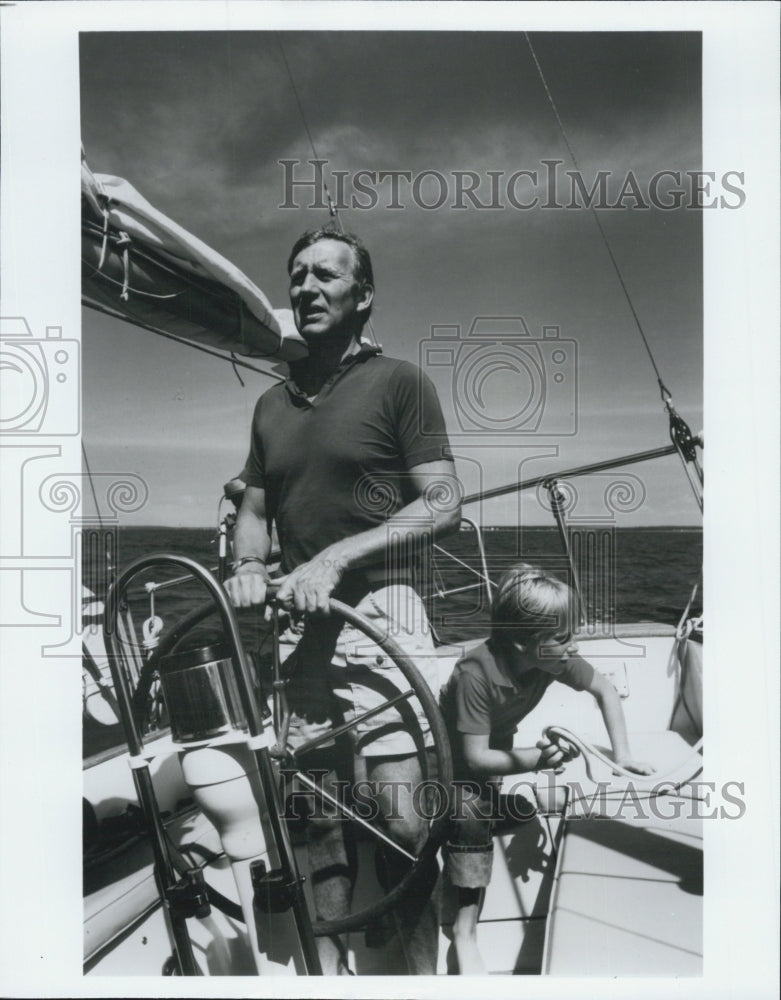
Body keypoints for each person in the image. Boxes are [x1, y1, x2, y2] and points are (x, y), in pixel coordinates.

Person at [225, 227, 460, 974]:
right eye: (297, 275)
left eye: (325, 275)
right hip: (299, 628)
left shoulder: (400, 383)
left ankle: (421, 981)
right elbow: (256, 509)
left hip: (379, 619)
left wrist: (335, 557)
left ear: (363, 296)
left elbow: (443, 501)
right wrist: (248, 564)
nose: (305, 287)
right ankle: (324, 978)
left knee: (403, 822)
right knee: (314, 818)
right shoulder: (270, 404)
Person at [439, 563, 653, 974]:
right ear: (524, 643)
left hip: (492, 753)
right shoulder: (475, 674)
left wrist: (623, 755)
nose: (573, 646)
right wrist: (538, 760)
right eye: (563, 637)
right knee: (470, 816)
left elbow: (605, 690)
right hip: (443, 759)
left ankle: (487, 811)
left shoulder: (552, 658)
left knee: (498, 808)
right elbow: (475, 759)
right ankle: (464, 934)